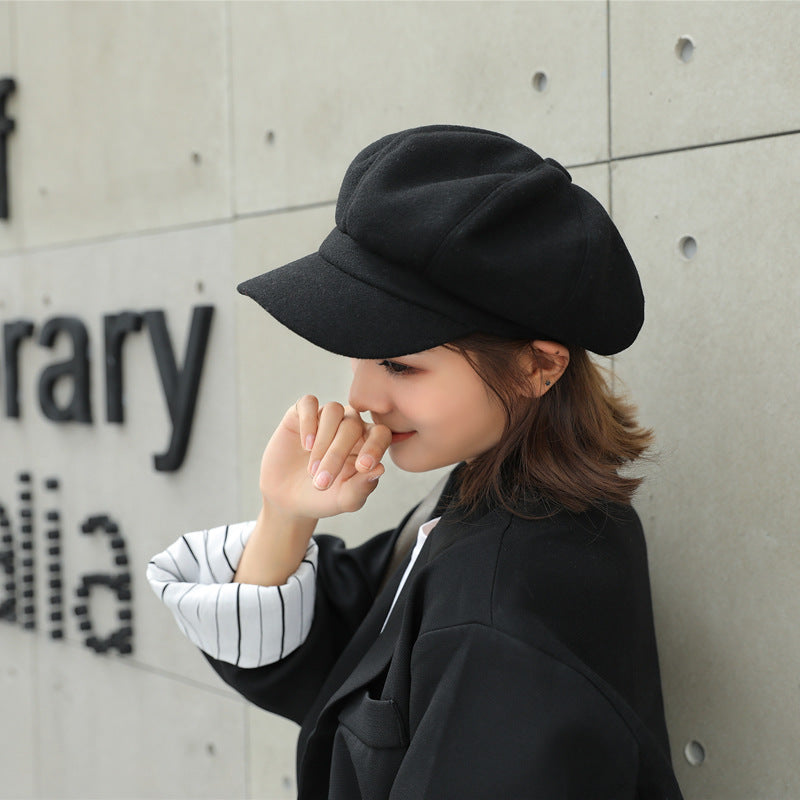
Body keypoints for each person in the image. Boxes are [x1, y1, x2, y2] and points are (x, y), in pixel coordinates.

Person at [147, 125, 684, 799]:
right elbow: (346, 660)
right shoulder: (492, 504)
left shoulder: (503, 610)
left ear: (538, 367)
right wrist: (284, 513)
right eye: (360, 350)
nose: (363, 397)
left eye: (399, 361)